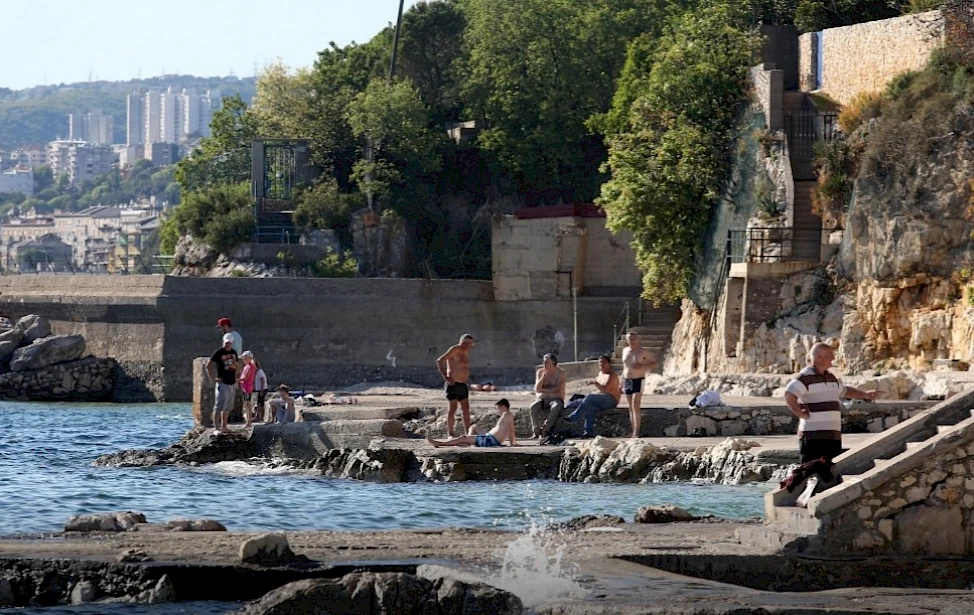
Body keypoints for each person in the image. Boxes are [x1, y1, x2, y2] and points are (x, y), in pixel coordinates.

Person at [785, 342, 881, 464]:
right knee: (809, 472)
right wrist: (799, 412)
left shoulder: (830, 377)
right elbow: (789, 394)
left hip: (832, 436)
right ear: (819, 357)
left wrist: (865, 395)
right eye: (830, 355)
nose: (833, 358)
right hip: (812, 436)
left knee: (831, 474)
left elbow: (844, 391)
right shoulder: (805, 377)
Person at [566, 355, 622, 438]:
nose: (602, 364)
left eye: (604, 362)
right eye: (600, 362)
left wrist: (595, 383)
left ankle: (574, 417)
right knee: (588, 407)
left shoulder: (612, 375)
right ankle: (588, 432)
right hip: (601, 399)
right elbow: (599, 391)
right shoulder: (600, 374)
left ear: (609, 364)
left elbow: (605, 390)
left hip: (611, 399)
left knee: (590, 397)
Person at [426, 399, 517, 448]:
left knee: (463, 438)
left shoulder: (506, 414)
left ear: (503, 406)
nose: (497, 411)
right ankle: (468, 442)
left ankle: (439, 443)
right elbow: (509, 429)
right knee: (474, 427)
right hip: (489, 438)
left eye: (498, 408)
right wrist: (513, 442)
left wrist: (512, 444)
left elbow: (511, 430)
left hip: (489, 441)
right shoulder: (508, 415)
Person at [435, 333, 475, 437]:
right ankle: (450, 434)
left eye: (470, 344)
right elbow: (440, 361)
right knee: (452, 409)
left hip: (463, 384)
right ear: (462, 342)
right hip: (453, 384)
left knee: (465, 408)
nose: (468, 346)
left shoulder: (465, 352)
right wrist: (446, 377)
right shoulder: (455, 349)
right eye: (466, 344)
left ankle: (468, 433)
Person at [621, 331, 658, 439]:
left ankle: (637, 432)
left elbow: (654, 363)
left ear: (637, 339)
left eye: (634, 339)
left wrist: (642, 366)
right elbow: (625, 367)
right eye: (630, 339)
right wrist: (621, 382)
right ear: (627, 340)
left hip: (639, 379)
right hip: (627, 379)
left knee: (635, 404)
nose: (632, 341)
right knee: (630, 406)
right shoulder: (625, 351)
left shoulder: (643, 351)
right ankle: (632, 431)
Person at [530, 353, 566, 444]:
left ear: (553, 362)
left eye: (546, 362)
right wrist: (543, 377)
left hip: (556, 399)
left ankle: (546, 429)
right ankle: (536, 431)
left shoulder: (561, 373)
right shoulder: (540, 372)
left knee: (556, 407)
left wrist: (544, 390)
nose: (544, 363)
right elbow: (537, 388)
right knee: (533, 407)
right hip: (542, 399)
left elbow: (558, 388)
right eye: (544, 361)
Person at [206, 333, 239, 434]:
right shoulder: (219, 353)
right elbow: (209, 365)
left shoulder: (234, 352)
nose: (227, 345)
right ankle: (216, 427)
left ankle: (224, 426)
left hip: (231, 382)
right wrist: (214, 378)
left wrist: (236, 377)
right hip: (223, 382)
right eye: (226, 343)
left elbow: (236, 365)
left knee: (228, 406)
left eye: (229, 343)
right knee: (220, 405)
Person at [238, 351, 257, 427]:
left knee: (248, 404)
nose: (244, 360)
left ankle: (249, 422)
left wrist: (237, 380)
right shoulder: (246, 366)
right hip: (244, 387)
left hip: (247, 388)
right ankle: (248, 420)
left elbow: (246, 378)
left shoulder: (250, 367)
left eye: (245, 358)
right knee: (246, 404)